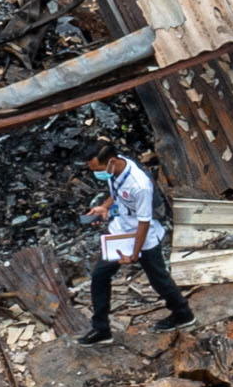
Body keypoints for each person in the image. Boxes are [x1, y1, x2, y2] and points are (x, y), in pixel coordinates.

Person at [83, 146, 197, 348]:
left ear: (111, 161)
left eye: (97, 169)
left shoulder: (140, 185)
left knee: (159, 280)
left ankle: (183, 314)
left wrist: (134, 255)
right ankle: (101, 329)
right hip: (120, 231)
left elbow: (144, 222)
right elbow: (116, 192)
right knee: (100, 275)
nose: (96, 174)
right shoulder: (115, 169)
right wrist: (105, 207)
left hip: (142, 239)